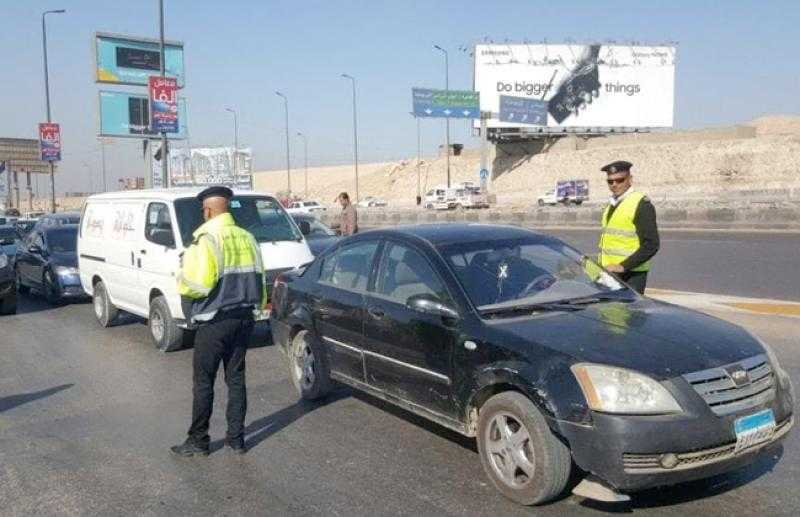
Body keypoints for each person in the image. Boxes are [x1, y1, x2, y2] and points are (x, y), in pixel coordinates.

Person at [170, 186, 266, 457]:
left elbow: (198, 285)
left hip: (214, 322)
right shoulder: (248, 238)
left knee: (204, 382)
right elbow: (260, 278)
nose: (203, 214)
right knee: (236, 379)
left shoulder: (206, 240)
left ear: (209, 210)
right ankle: (237, 440)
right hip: (244, 318)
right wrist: (256, 309)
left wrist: (181, 275)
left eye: (204, 210)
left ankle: (198, 441)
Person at [597, 160, 659, 294]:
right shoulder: (612, 204)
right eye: (610, 181)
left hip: (631, 275)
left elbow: (651, 244)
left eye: (620, 180)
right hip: (610, 273)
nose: (614, 184)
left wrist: (623, 266)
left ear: (630, 179)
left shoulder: (641, 204)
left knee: (628, 308)